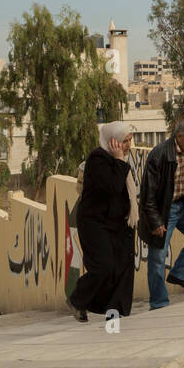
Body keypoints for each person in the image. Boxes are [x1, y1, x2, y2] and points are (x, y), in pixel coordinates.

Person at [66, 121, 138, 323]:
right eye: (125, 141)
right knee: (103, 267)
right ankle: (78, 299)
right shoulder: (98, 159)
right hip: (94, 223)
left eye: (130, 140)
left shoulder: (119, 160)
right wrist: (119, 160)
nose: (128, 146)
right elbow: (113, 186)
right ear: (112, 141)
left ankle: (115, 311)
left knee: (122, 266)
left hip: (117, 223)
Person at [138, 117, 184, 310]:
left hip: (182, 207)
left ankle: (180, 274)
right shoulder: (159, 154)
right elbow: (148, 194)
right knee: (158, 257)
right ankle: (159, 303)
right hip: (162, 211)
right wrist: (155, 222)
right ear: (179, 136)